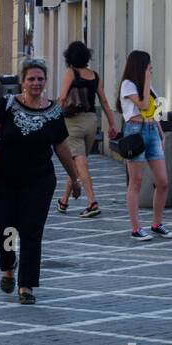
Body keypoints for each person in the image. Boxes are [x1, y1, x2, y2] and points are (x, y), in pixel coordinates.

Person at [0, 57, 81, 303]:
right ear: (23, 81)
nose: (36, 83)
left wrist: (75, 178)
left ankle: (26, 285)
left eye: (40, 79)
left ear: (46, 81)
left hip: (39, 180)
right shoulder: (7, 105)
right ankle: (8, 264)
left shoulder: (54, 112)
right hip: (2, 178)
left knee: (31, 230)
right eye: (31, 79)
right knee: (3, 227)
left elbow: (62, 148)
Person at [56, 41, 118, 218]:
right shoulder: (95, 75)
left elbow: (61, 98)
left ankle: (92, 203)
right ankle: (64, 201)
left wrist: (52, 119)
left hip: (72, 122)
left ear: (69, 57)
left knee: (80, 162)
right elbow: (104, 101)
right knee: (77, 162)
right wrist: (112, 124)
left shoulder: (71, 73)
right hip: (91, 121)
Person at [118, 49, 170, 239]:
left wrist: (161, 132)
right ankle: (136, 228)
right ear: (140, 66)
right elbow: (143, 105)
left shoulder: (149, 86)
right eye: (148, 66)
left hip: (151, 131)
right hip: (134, 131)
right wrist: (147, 80)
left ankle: (157, 223)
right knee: (136, 181)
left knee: (163, 182)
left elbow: (154, 111)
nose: (151, 69)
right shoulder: (128, 84)